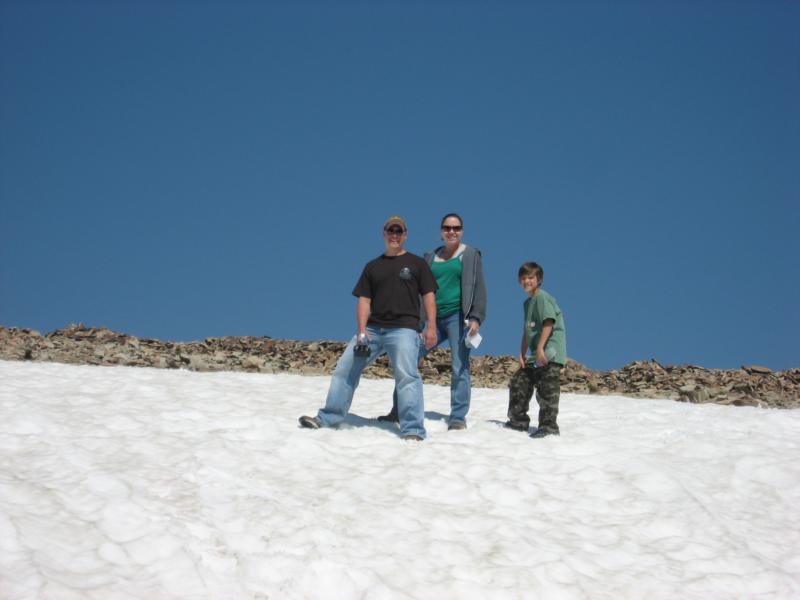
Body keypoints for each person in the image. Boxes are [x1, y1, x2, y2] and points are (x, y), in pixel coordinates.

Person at [298, 216, 438, 440]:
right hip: (372, 329)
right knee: (344, 370)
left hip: (404, 329)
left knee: (407, 376)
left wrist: (431, 327)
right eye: (390, 231)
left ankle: (413, 429)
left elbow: (429, 295)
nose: (394, 235)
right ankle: (327, 418)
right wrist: (361, 331)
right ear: (383, 234)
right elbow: (364, 300)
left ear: (406, 235)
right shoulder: (372, 267)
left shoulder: (417, 264)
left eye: (399, 231)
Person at [379, 212, 488, 430]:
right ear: (441, 231)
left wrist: (475, 317)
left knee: (459, 365)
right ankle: (399, 410)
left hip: (458, 317)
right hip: (431, 319)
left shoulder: (470, 254)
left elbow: (479, 288)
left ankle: (457, 417)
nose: (451, 232)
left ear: (462, 231)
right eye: (447, 228)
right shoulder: (429, 257)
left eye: (456, 228)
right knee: (408, 359)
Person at [505, 261, 567, 438]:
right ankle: (517, 421)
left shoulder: (542, 298)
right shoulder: (528, 303)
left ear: (539, 280)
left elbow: (548, 322)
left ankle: (548, 427)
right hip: (536, 355)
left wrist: (540, 348)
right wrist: (522, 353)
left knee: (547, 389)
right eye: (523, 278)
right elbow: (527, 330)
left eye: (530, 277)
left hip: (550, 352)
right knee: (520, 381)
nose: (527, 281)